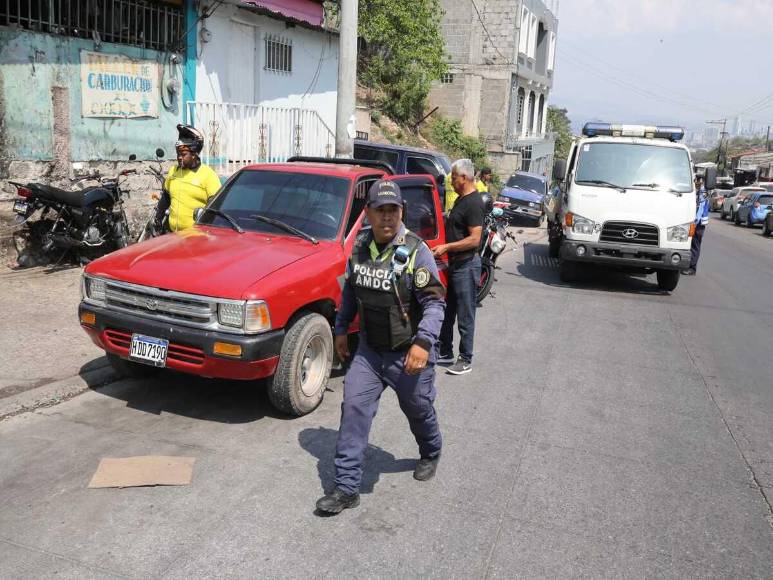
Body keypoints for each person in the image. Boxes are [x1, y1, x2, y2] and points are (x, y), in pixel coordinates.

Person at [315, 179, 446, 515]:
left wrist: (423, 342)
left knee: (418, 408)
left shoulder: (417, 251)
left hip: (409, 354)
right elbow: (350, 294)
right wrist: (341, 329)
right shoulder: (359, 247)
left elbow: (434, 304)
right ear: (369, 213)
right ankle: (346, 487)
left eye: (394, 210)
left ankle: (431, 450)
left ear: (401, 212)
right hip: (370, 353)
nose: (387, 217)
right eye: (380, 211)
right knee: (354, 409)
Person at [432, 159, 485, 375]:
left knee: (465, 314)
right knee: (448, 310)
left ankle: (465, 359)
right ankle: (445, 351)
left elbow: (474, 240)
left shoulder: (474, 203)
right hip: (454, 265)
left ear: (464, 178)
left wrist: (447, 247)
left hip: (466, 265)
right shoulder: (461, 200)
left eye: (453, 177)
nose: (451, 181)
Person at [156, 124, 221, 232]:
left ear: (194, 154)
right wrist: (158, 218)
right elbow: (166, 198)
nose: (179, 157)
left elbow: (215, 207)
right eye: (178, 154)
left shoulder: (208, 175)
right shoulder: (173, 171)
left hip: (196, 238)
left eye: (184, 154)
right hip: (173, 234)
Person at [683, 175, 709, 276]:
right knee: (688, 243)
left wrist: (693, 222)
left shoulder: (702, 193)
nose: (697, 182)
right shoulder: (696, 191)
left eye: (698, 181)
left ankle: (692, 268)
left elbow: (700, 209)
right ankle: (687, 265)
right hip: (693, 222)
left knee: (694, 245)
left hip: (698, 223)